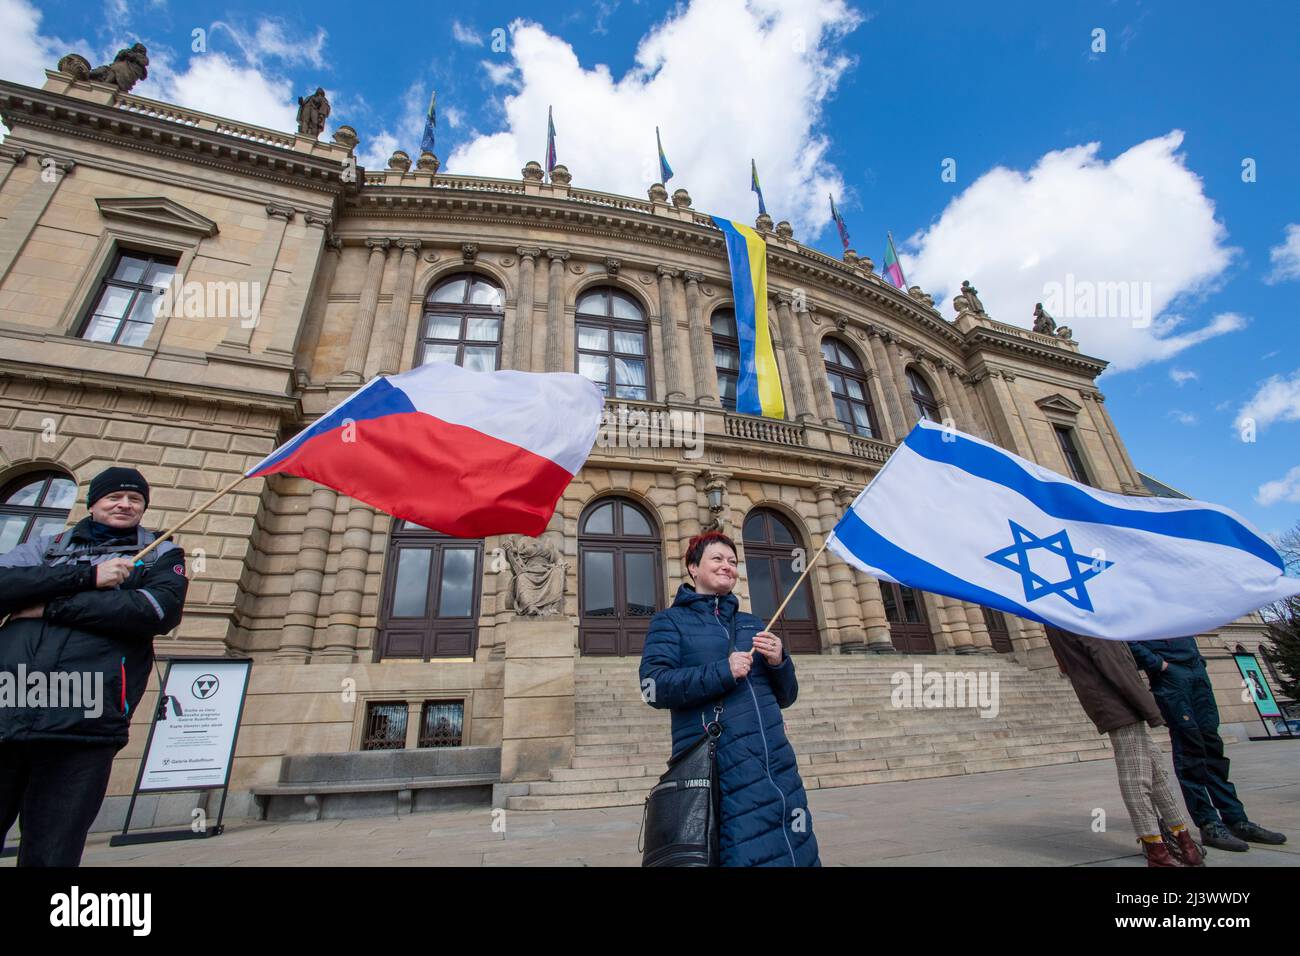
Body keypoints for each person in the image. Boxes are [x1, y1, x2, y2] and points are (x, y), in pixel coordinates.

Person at [0, 466, 188, 866]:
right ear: (93, 502)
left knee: (53, 850)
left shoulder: (160, 551)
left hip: (85, 718)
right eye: (114, 497)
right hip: (7, 705)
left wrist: (48, 605)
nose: (124, 504)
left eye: (134, 499)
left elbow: (155, 610)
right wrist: (88, 577)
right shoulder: (47, 545)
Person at [639, 530, 819, 867]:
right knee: (741, 852)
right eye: (718, 559)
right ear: (693, 568)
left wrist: (780, 662)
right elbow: (653, 685)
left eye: (733, 562)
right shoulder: (670, 622)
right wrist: (722, 671)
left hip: (774, 765)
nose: (728, 566)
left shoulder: (752, 623)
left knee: (792, 851)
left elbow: (787, 695)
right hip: (722, 771)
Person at [1044, 628, 1203, 867]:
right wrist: (1148, 706)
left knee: (1156, 770)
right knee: (1136, 775)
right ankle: (1156, 851)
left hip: (1115, 697)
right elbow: (1112, 662)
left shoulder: (1060, 615)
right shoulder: (1080, 615)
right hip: (1117, 699)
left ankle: (1183, 839)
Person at [1129, 636, 1287, 852]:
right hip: (1170, 674)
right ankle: (1209, 823)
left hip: (1195, 669)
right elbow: (1124, 635)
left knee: (1212, 747)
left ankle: (1236, 819)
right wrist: (1157, 664)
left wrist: (1198, 661)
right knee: (1190, 750)